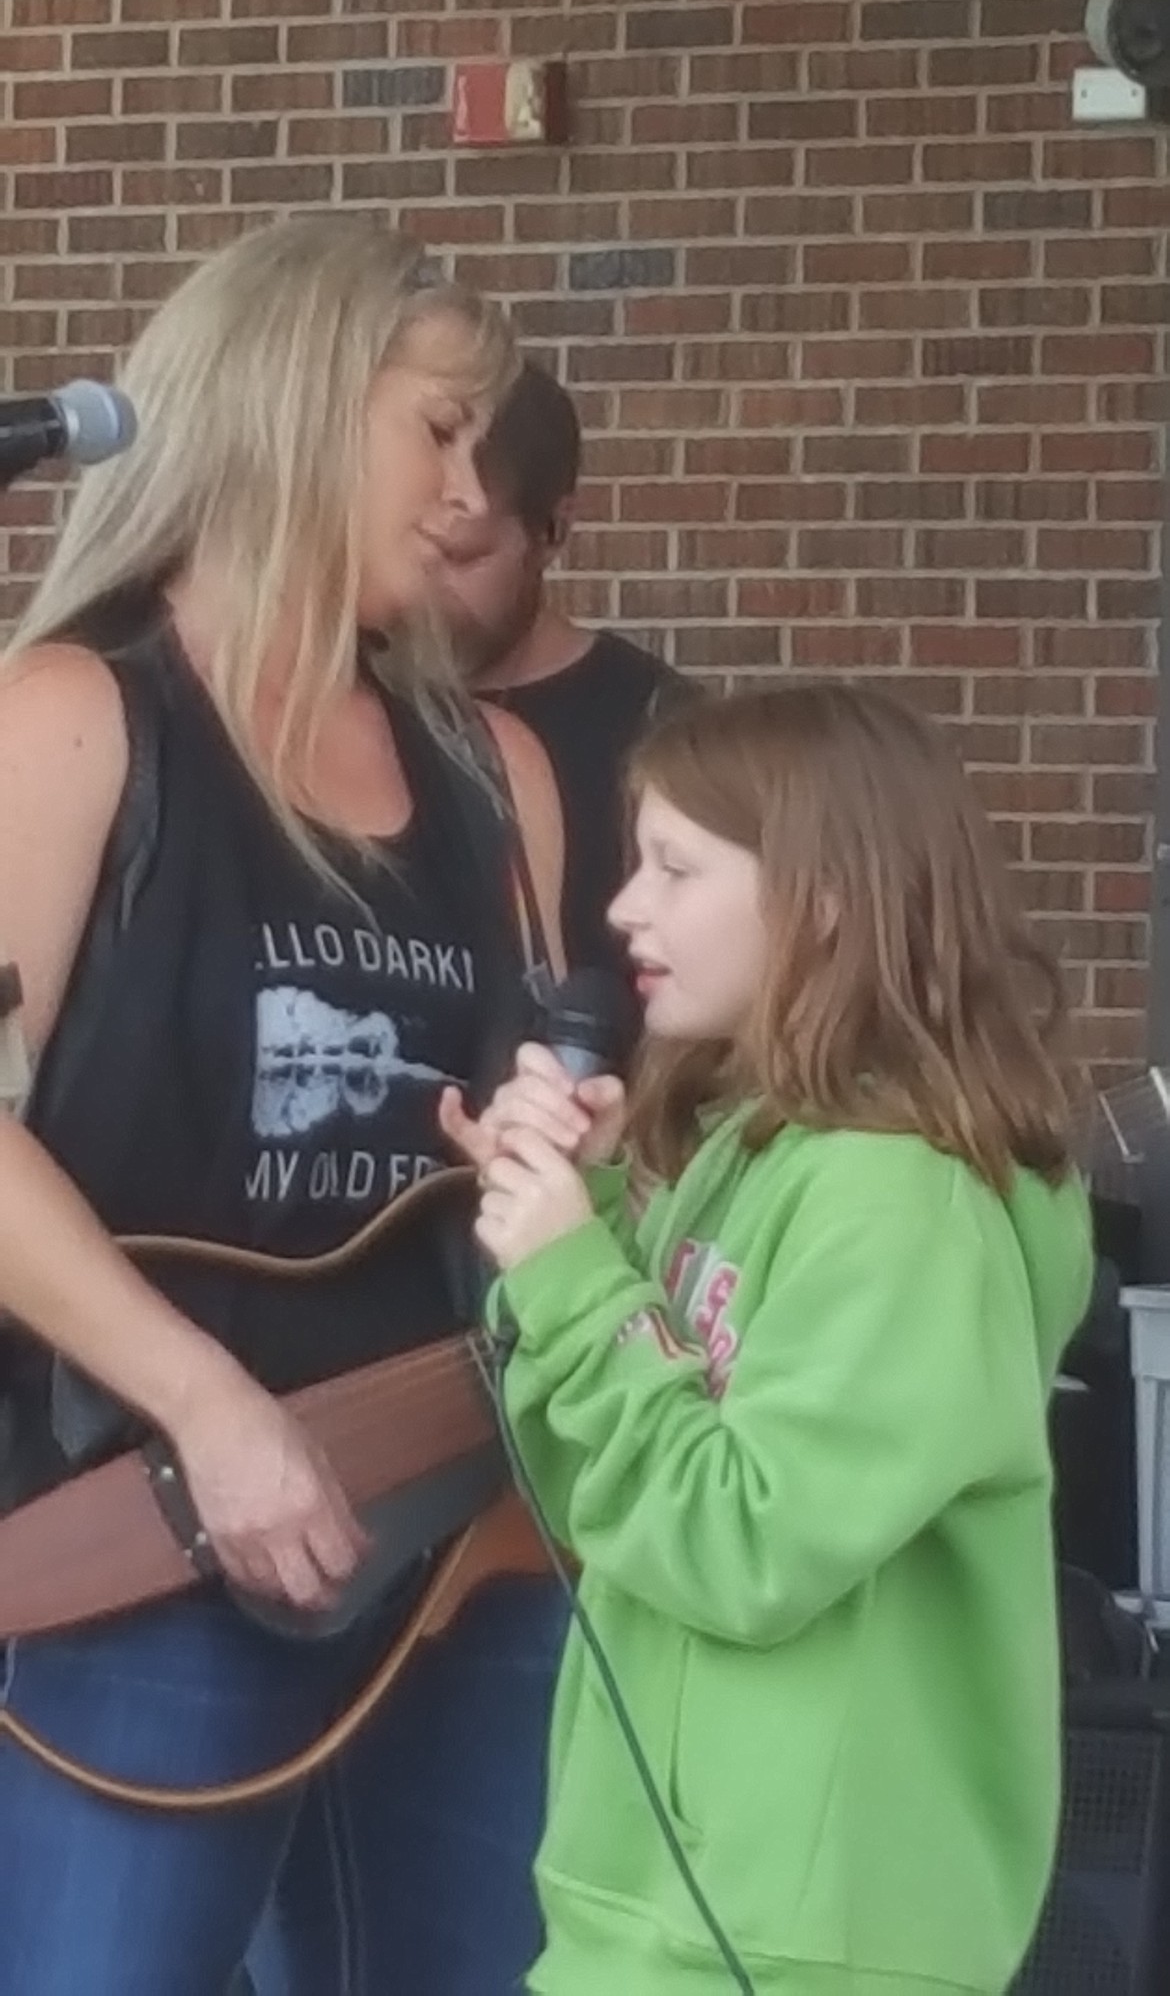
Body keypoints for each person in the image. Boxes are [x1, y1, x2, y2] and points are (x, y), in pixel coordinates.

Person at [0, 216, 569, 1996]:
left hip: (468, 1533)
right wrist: (211, 1407)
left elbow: (532, 1094)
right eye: (437, 430)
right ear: (299, 406)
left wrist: (569, 1136)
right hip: (155, 1528)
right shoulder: (77, 719)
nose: (471, 490)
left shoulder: (499, 766)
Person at [449, 684, 1094, 1996]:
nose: (625, 908)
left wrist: (580, 1286)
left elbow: (748, 1544)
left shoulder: (904, 1200)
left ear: (826, 897)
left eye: (675, 867)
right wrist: (596, 1225)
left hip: (797, 1938)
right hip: (652, 1901)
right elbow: (595, 1498)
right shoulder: (740, 1152)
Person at [435, 359, 689, 973]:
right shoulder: (352, 712)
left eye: (459, 556)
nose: (422, 590)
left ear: (553, 530)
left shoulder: (662, 728)